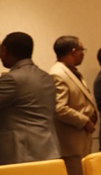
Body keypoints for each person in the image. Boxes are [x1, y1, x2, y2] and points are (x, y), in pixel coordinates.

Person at [0, 32, 61, 165]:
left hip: (21, 153)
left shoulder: (12, 79)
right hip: (49, 149)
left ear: (4, 50)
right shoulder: (46, 76)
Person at [48, 36, 99, 175]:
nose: (83, 54)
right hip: (71, 143)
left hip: (81, 140)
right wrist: (84, 121)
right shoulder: (58, 74)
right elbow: (59, 108)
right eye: (82, 50)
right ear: (73, 51)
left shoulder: (72, 71)